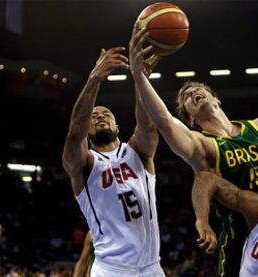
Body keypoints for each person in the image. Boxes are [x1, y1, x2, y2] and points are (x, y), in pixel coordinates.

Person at [129, 26, 258, 276]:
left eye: (197, 89)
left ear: (217, 99)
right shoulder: (202, 145)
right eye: (186, 97)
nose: (192, 92)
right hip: (239, 242)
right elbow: (165, 121)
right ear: (191, 120)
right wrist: (139, 76)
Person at [62, 46, 165, 276]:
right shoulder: (85, 163)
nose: (100, 116)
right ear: (87, 132)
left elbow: (147, 126)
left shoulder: (137, 152)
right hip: (112, 269)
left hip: (152, 268)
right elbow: (74, 134)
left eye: (106, 113)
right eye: (94, 116)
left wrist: (141, 80)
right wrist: (94, 79)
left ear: (117, 126)